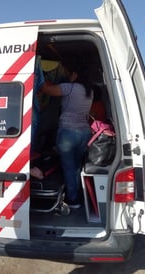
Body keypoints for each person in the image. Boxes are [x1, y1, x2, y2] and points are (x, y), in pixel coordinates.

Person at [40, 63, 93, 208]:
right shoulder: (89, 91)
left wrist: (38, 72)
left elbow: (46, 89)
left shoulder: (69, 88)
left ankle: (73, 200)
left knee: (69, 167)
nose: (69, 76)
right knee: (77, 166)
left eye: (71, 73)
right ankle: (79, 196)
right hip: (85, 133)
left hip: (69, 133)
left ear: (75, 74)